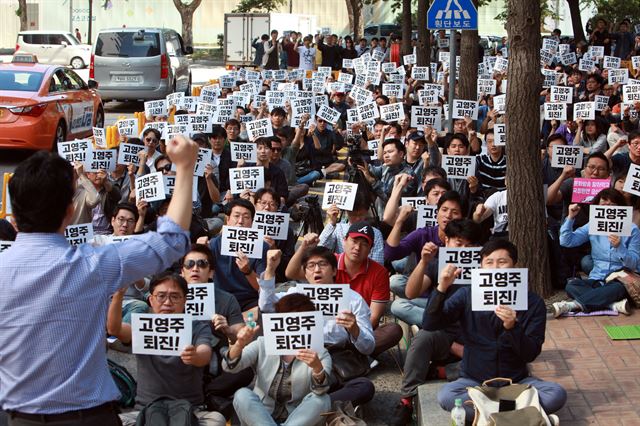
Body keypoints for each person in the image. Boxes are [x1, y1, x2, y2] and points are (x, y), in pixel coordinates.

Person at [0, 135, 196, 424]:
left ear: (14, 213)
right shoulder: (94, 265)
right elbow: (172, 240)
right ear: (69, 212)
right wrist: (185, 168)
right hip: (90, 417)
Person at [425, 239, 567, 420]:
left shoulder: (532, 302)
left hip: (516, 382)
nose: (495, 268)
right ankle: (516, 414)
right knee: (447, 396)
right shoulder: (466, 295)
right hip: (475, 382)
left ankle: (488, 414)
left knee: (556, 394)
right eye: (489, 262)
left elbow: (530, 353)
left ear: (515, 265)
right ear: (481, 267)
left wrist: (512, 328)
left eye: (502, 262)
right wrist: (442, 287)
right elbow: (430, 323)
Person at [391, 219, 483, 424]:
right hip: (445, 336)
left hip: (478, 338)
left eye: (470, 246)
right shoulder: (438, 264)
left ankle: (441, 371)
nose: (464, 250)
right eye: (459, 244)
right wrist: (424, 262)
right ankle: (406, 400)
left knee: (497, 359)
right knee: (423, 338)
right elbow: (410, 292)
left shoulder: (486, 268)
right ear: (447, 241)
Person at [107, 273, 225, 426]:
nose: (167, 302)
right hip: (145, 410)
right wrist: (118, 296)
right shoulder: (143, 326)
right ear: (151, 300)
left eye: (175, 297)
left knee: (217, 420)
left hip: (191, 410)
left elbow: (205, 354)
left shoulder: (197, 327)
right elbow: (114, 329)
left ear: (185, 300)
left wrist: (194, 355)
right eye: (161, 296)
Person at [265, 247, 376, 407]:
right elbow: (267, 305)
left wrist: (355, 329)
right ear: (304, 272)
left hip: (334, 359)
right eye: (311, 265)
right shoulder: (294, 294)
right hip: (298, 355)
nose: (317, 269)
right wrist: (270, 269)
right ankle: (315, 408)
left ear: (333, 271)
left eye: (322, 264)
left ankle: (308, 408)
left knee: (364, 387)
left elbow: (369, 348)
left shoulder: (353, 300)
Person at [289, 225, 402, 357]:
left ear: (371, 249)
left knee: (393, 330)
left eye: (364, 244)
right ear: (344, 241)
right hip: (323, 329)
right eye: (354, 241)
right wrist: (303, 247)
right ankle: (347, 355)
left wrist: (354, 331)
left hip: (358, 327)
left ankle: (350, 354)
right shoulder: (328, 262)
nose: (357, 248)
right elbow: (291, 273)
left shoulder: (379, 273)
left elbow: (374, 317)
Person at [224, 293, 332, 426]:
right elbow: (230, 366)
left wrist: (317, 368)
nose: (294, 324)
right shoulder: (263, 343)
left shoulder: (319, 353)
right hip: (262, 414)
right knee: (242, 395)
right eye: (288, 318)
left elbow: (320, 391)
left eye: (300, 318)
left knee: (323, 400)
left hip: (297, 417)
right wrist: (239, 344)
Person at [178, 244, 254, 417]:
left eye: (202, 264)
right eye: (190, 264)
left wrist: (227, 329)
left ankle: (207, 393)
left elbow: (241, 335)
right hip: (181, 353)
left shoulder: (226, 299)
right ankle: (209, 397)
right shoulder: (170, 296)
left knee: (244, 368)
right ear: (182, 272)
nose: (195, 269)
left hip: (216, 358)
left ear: (211, 272)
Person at [553, 188, 640, 316]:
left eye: (613, 206)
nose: (608, 209)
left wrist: (619, 247)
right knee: (572, 285)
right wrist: (570, 217)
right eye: (604, 205)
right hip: (597, 277)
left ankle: (573, 305)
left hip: (621, 278)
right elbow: (566, 241)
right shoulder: (592, 225)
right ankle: (612, 305)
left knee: (617, 288)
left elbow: (634, 263)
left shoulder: (632, 230)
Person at [202, 199, 268, 315]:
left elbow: (262, 289)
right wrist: (201, 251)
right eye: (236, 216)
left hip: (249, 302)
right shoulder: (213, 244)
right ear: (227, 220)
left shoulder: (262, 247)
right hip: (220, 300)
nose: (240, 221)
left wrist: (248, 271)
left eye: (246, 217)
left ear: (252, 222)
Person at [319, 191, 385, 265]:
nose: (357, 218)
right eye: (353, 215)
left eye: (361, 214)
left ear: (366, 212)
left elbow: (378, 264)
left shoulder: (376, 234)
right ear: (347, 212)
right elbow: (320, 249)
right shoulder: (339, 228)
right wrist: (331, 223)